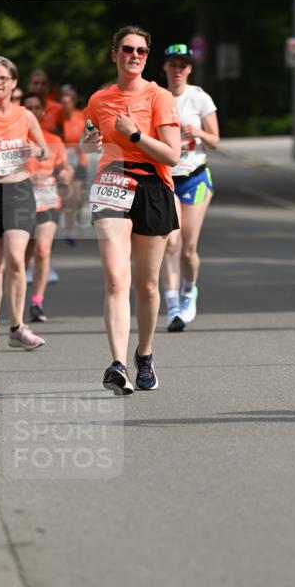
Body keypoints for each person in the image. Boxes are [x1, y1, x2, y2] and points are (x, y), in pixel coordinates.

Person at [82, 25, 180, 393]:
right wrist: (89, 142)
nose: (134, 55)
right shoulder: (98, 99)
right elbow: (91, 139)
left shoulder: (160, 97)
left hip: (153, 187)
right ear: (115, 54)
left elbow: (172, 154)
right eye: (127, 49)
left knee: (148, 284)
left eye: (140, 50)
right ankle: (117, 364)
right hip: (111, 183)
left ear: (146, 56)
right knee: (115, 277)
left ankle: (145, 353)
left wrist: (136, 134)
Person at [0, 56, 48, 351]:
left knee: (16, 259)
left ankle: (17, 326)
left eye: (4, 78)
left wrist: (34, 148)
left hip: (18, 189)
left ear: (14, 82)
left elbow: (43, 151)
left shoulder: (24, 115)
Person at [161, 43, 219, 331]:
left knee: (188, 248)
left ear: (190, 69)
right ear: (165, 68)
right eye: (173, 64)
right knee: (171, 242)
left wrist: (199, 132)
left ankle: (188, 290)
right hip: (167, 178)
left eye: (182, 65)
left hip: (195, 176)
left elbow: (216, 140)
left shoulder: (199, 98)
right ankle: (172, 305)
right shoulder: (156, 97)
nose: (177, 70)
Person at [22, 91, 73, 321]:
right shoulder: (15, 140)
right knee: (19, 260)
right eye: (27, 108)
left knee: (42, 251)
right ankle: (16, 302)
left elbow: (66, 168)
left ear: (43, 112)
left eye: (36, 108)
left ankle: (37, 303)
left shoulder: (54, 140)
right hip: (20, 204)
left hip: (48, 201)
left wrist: (65, 173)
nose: (32, 112)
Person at [59, 85, 88, 243]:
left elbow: (86, 138)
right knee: (66, 196)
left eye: (68, 102)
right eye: (62, 102)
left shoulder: (80, 117)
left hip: (78, 161)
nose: (65, 105)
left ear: (73, 103)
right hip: (63, 162)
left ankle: (71, 228)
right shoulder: (58, 119)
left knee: (75, 197)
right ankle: (67, 227)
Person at [27, 69, 63, 134]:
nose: (40, 86)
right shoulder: (22, 108)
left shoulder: (58, 108)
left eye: (44, 84)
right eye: (36, 83)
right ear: (29, 86)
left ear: (48, 87)